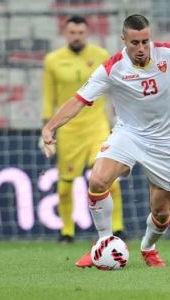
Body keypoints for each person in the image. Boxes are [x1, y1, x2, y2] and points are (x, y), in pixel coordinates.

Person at [41, 14, 170, 268]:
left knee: (161, 213)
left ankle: (148, 247)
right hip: (129, 134)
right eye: (135, 43)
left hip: (166, 142)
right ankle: (103, 243)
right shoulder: (112, 68)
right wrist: (50, 127)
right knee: (98, 181)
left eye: (145, 41)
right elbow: (78, 100)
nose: (141, 48)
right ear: (123, 40)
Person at [41, 16, 124, 243]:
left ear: (86, 33)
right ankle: (67, 231)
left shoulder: (101, 55)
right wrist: (46, 128)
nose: (76, 37)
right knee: (66, 184)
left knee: (108, 178)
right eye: (72, 33)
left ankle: (118, 228)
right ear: (65, 34)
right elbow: (49, 97)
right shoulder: (53, 60)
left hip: (97, 126)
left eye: (80, 33)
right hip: (68, 130)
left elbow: (116, 87)